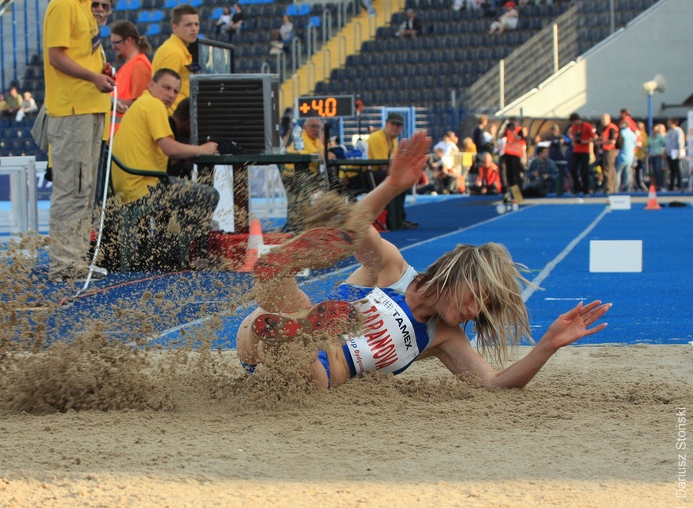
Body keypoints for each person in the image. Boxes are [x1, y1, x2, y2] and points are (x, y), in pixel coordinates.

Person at [236, 131, 611, 391]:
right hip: (271, 333)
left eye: (482, 312)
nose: (472, 312)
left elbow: (493, 383)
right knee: (282, 305)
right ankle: (283, 279)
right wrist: (394, 185)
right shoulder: (391, 270)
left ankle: (293, 326)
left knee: (290, 340)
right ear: (458, 274)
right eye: (475, 298)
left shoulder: (444, 337)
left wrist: (547, 345)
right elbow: (355, 226)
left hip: (318, 372)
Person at [111, 68, 220, 270]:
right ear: (151, 85)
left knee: (178, 187)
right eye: (166, 88)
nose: (170, 94)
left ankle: (161, 249)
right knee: (208, 195)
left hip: (129, 184)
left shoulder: (142, 104)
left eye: (175, 91)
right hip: (143, 186)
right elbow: (169, 149)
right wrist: (202, 149)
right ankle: (172, 254)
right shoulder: (154, 105)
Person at [43, 0, 115, 281]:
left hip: (90, 108)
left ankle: (76, 259)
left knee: (83, 190)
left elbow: (79, 55)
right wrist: (93, 77)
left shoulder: (84, 6)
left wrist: (101, 71)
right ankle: (64, 264)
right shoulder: (63, 2)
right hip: (73, 110)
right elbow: (55, 56)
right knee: (72, 188)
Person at [367, 113, 417, 229]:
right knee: (396, 179)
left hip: (378, 173)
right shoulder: (377, 138)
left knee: (400, 179)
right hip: (366, 174)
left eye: (398, 125)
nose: (395, 127)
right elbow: (384, 166)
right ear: (386, 124)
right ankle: (394, 219)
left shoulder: (393, 140)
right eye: (393, 124)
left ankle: (398, 218)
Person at [284, 117, 330, 232]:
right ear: (305, 127)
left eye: (319, 127)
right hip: (293, 176)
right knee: (299, 201)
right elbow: (317, 156)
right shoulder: (301, 139)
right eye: (313, 126)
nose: (317, 130)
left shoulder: (317, 141)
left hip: (309, 175)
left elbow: (323, 154)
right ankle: (295, 226)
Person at [152, 4, 199, 113]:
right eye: (188, 25)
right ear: (175, 27)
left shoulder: (177, 49)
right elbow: (164, 93)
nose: (194, 28)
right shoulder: (174, 53)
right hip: (172, 118)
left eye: (196, 24)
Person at [109, 20, 153, 134]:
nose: (113, 47)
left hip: (125, 134)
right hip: (116, 134)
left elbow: (140, 104)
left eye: (116, 43)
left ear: (129, 40)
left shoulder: (139, 65)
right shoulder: (129, 65)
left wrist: (110, 102)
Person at [568, 113, 596, 195]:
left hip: (585, 151)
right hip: (576, 150)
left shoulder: (587, 126)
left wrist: (585, 141)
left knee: (584, 171)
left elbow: (594, 137)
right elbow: (573, 136)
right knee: (573, 169)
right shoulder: (574, 127)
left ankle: (586, 189)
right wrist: (573, 139)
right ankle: (577, 187)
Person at [499, 117, 527, 194]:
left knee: (516, 175)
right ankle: (512, 193)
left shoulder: (520, 130)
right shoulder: (508, 130)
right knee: (509, 175)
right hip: (508, 154)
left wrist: (512, 131)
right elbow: (500, 137)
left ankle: (519, 193)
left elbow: (518, 138)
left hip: (516, 155)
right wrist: (505, 128)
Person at [595, 113, 619, 194]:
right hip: (606, 149)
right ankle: (611, 188)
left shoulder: (611, 128)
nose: (603, 121)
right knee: (610, 168)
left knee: (607, 169)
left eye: (604, 119)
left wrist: (601, 142)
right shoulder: (605, 128)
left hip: (610, 150)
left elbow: (612, 140)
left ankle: (608, 188)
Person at [614, 120, 636, 192]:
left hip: (622, 155)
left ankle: (616, 187)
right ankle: (628, 187)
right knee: (628, 172)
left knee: (618, 172)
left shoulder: (622, 133)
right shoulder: (633, 134)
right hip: (630, 156)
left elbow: (619, 145)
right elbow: (635, 144)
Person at [665, 117, 686, 191]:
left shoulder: (678, 131)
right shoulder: (669, 131)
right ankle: (671, 185)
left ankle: (679, 184)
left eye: (669, 122)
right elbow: (667, 142)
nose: (668, 123)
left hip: (676, 151)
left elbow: (680, 141)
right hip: (670, 152)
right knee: (672, 169)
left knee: (678, 168)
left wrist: (680, 152)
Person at [647, 123, 666, 190]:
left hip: (658, 155)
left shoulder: (660, 137)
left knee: (658, 171)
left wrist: (663, 152)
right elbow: (648, 146)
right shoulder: (650, 137)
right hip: (652, 155)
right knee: (654, 171)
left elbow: (665, 144)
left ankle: (660, 185)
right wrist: (647, 153)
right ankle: (655, 185)